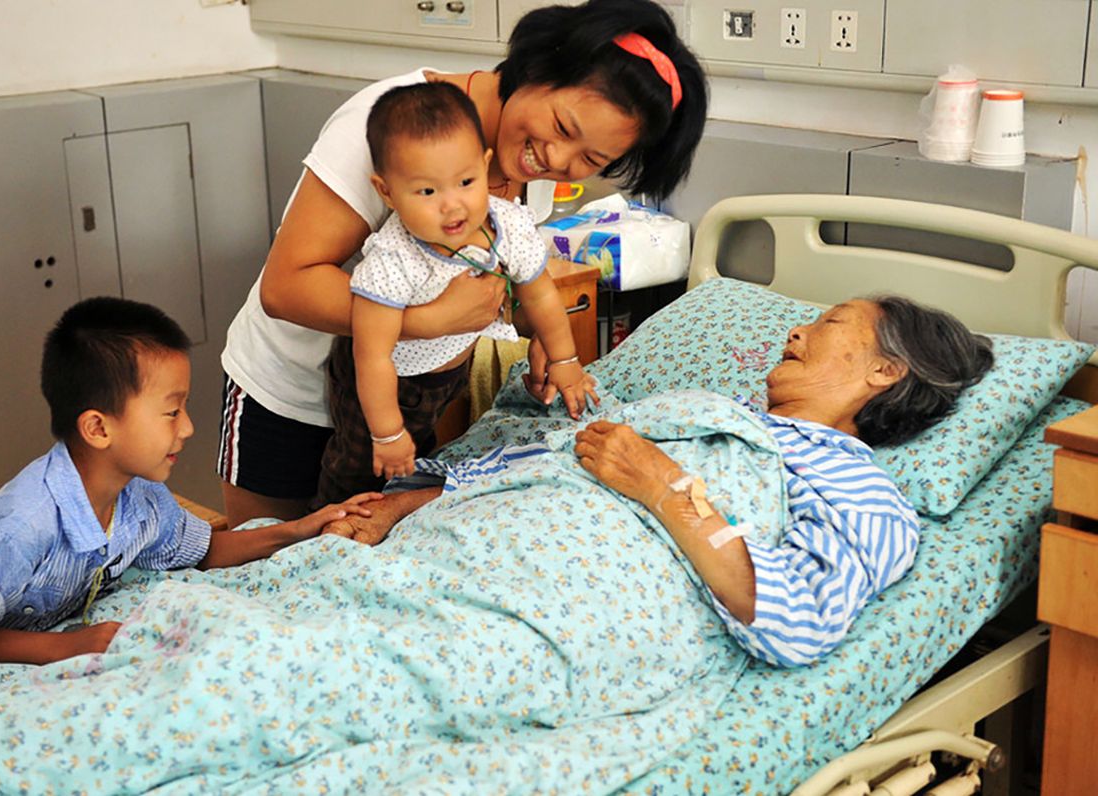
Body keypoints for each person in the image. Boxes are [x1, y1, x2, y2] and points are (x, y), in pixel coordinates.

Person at [217, 0, 709, 527]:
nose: (559, 161)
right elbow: (286, 287)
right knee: (266, 561)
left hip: (410, 404)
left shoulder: (520, 165)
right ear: (538, 66)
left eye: (591, 161)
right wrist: (424, 323)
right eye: (563, 127)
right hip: (290, 399)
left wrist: (539, 330)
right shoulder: (392, 126)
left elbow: (496, 274)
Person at [321, 296, 996, 666]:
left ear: (885, 372)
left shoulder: (863, 492)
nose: (795, 330)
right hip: (450, 547)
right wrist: (411, 503)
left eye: (828, 323)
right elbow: (561, 459)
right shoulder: (700, 414)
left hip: (541, 612)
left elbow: (804, 619)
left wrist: (665, 484)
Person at [0, 297, 378, 666]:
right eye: (172, 412)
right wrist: (67, 646)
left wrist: (297, 530)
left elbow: (204, 549)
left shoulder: (139, 497)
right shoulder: (24, 525)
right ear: (98, 428)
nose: (187, 428)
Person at [321, 82, 597, 503]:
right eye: (427, 191)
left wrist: (565, 359)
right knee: (360, 474)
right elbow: (371, 356)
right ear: (387, 192)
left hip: (449, 371)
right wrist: (388, 432)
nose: (452, 206)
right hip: (387, 384)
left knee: (420, 463)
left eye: (466, 181)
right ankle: (333, 527)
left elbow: (540, 296)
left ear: (484, 167)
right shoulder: (393, 259)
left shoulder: (509, 226)